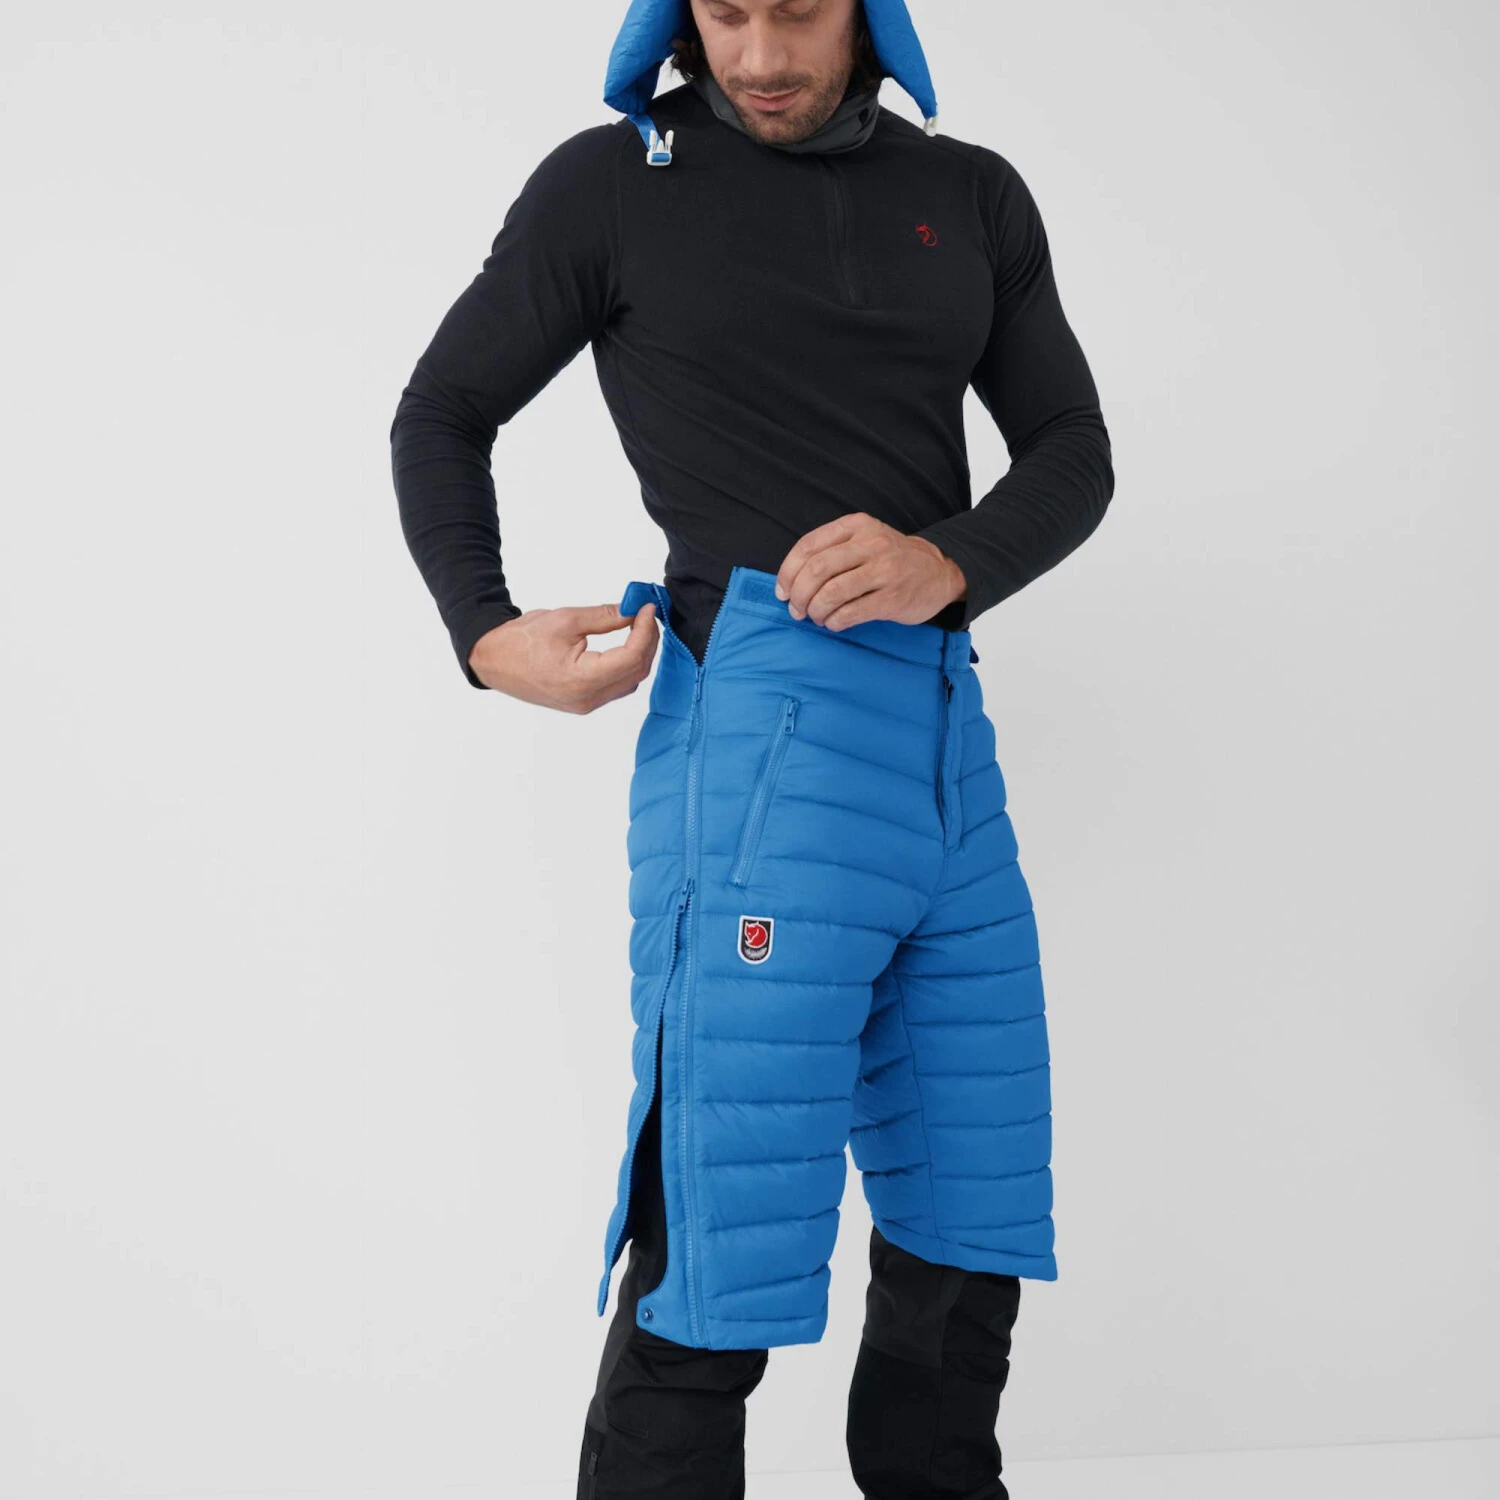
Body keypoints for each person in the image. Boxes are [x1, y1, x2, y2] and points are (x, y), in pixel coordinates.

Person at [389, 2, 1114, 1494]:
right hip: (761, 748)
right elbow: (442, 410)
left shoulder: (968, 194)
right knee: (724, 1226)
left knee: (970, 1218)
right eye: (726, 10)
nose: (763, 55)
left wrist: (950, 560)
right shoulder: (610, 186)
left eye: (799, 9)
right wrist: (483, 629)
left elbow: (1072, 447)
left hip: (945, 748)